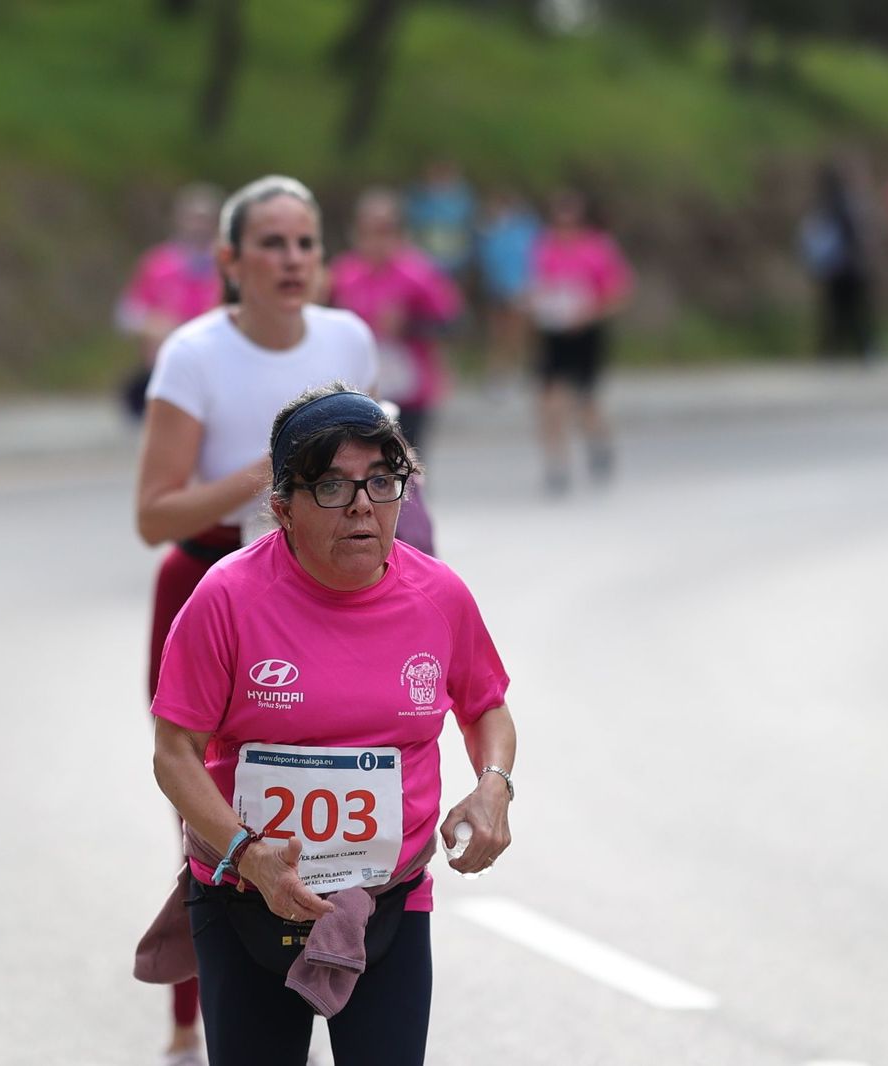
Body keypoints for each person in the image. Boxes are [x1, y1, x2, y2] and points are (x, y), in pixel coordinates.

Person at [137, 384, 517, 1066]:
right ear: (282, 508)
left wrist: (493, 786)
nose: (364, 505)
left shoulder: (439, 595)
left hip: (386, 902)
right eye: (333, 488)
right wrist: (249, 854)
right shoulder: (227, 598)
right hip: (244, 899)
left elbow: (486, 705)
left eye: (382, 481)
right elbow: (175, 754)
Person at [134, 176, 378, 1066]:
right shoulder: (193, 355)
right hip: (209, 585)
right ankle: (192, 1017)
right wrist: (273, 472)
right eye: (270, 244)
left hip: (320, 595)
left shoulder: (350, 337)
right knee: (207, 805)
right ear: (230, 261)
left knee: (333, 795)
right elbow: (153, 515)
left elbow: (372, 480)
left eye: (306, 243)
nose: (291, 260)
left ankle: (319, 984)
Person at [328, 187, 462, 459]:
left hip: (409, 389)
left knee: (407, 469)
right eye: (368, 231)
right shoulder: (343, 273)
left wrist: (410, 326)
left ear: (398, 233)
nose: (376, 240)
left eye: (384, 231)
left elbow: (453, 323)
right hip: (358, 388)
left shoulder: (418, 272)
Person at [528, 187, 634, 494]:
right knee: (549, 399)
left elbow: (619, 292)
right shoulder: (544, 248)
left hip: (586, 331)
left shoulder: (598, 248)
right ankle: (556, 462)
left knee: (585, 400)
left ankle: (599, 440)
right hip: (553, 331)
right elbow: (535, 285)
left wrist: (589, 313)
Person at [115, 183, 225, 421]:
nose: (199, 225)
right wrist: (155, 325)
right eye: (193, 218)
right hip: (165, 360)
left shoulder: (227, 265)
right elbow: (127, 314)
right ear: (179, 220)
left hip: (214, 361)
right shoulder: (157, 264)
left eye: (205, 219)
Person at [799, 163, 876, 363]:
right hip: (851, 267)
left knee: (835, 311)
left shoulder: (822, 206)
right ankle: (864, 349)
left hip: (832, 267)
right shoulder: (850, 205)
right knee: (857, 311)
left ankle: (831, 351)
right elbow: (860, 236)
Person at [476, 187, 543, 396]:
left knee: (518, 333)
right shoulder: (490, 229)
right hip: (497, 287)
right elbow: (487, 260)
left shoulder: (527, 228)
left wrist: (529, 285)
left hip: (520, 286)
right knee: (497, 332)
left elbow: (534, 257)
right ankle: (498, 372)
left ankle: (519, 369)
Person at [404, 160, 477, 283]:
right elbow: (411, 227)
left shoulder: (464, 198)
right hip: (424, 263)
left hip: (457, 263)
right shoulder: (417, 197)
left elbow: (470, 230)